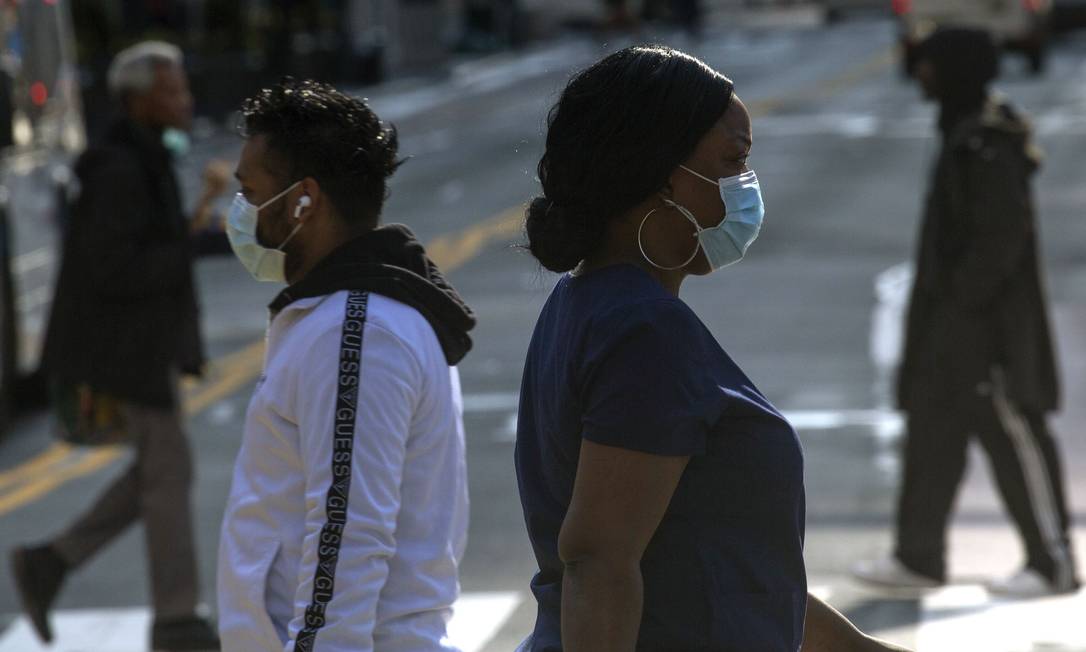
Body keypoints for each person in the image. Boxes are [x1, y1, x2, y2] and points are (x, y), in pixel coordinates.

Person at [514, 45, 908, 651]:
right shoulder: (643, 331)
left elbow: (729, 569)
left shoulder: (587, 304)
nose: (746, 187)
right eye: (734, 160)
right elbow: (599, 561)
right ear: (661, 175)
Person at [216, 78, 475, 651]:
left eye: (251, 192)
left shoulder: (356, 334)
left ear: (303, 200)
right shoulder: (344, 320)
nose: (241, 214)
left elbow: (348, 533)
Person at [8, 42, 230, 651]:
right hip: (124, 349)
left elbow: (152, 249)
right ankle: (176, 619)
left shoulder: (143, 158)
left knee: (162, 470)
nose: (185, 100)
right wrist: (189, 241)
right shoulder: (119, 170)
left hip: (139, 345)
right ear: (139, 99)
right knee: (168, 471)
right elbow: (117, 269)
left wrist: (208, 233)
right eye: (173, 90)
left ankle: (51, 561)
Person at [851, 28, 1079, 597]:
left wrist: (959, 314)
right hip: (951, 325)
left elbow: (996, 244)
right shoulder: (964, 133)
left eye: (928, 64)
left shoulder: (986, 144)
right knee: (932, 433)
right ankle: (918, 558)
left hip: (987, 331)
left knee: (1013, 434)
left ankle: (1053, 562)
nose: (919, 72)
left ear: (952, 71)